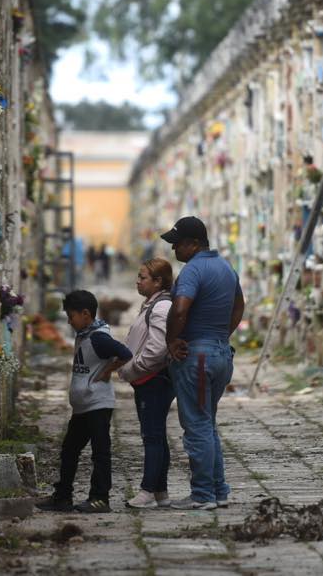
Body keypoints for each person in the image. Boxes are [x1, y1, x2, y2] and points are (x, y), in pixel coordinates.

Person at [160, 216, 244, 510]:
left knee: (196, 426)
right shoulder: (225, 266)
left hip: (196, 357)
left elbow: (180, 309)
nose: (174, 251)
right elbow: (239, 305)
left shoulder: (194, 270)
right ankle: (218, 490)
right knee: (207, 423)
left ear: (194, 244)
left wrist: (172, 340)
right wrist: (221, 335)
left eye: (177, 244)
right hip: (221, 353)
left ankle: (203, 494)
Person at [36, 290, 133, 514]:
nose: (69, 321)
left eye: (71, 317)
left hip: (98, 404)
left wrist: (108, 371)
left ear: (86, 314)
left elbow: (125, 353)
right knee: (69, 450)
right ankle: (62, 497)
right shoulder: (84, 334)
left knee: (100, 452)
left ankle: (100, 498)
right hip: (82, 406)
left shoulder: (99, 337)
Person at [117, 258, 176, 508]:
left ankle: (147, 491)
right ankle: (160, 491)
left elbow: (156, 349)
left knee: (152, 436)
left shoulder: (161, 308)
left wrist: (132, 369)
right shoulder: (152, 304)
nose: (137, 281)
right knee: (156, 435)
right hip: (149, 380)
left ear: (158, 281)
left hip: (153, 380)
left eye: (143, 277)